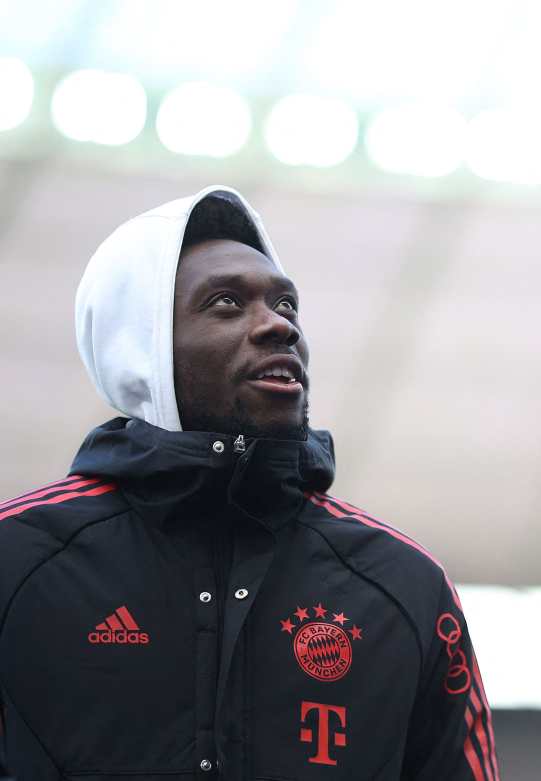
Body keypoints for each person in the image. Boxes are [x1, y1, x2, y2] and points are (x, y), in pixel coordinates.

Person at [0, 186, 500, 780]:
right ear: (140, 348)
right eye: (227, 303)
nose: (278, 326)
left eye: (286, 305)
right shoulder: (17, 557)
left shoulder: (405, 584)